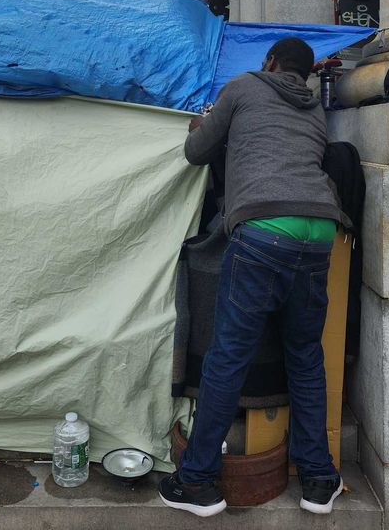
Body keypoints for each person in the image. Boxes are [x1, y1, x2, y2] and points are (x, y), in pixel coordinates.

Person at [159, 37, 347, 517]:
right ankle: (319, 481)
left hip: (264, 229)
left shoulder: (243, 87)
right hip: (320, 229)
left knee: (227, 358)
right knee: (304, 356)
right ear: (304, 75)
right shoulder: (314, 112)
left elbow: (196, 152)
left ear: (269, 62)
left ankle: (197, 480)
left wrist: (201, 126)